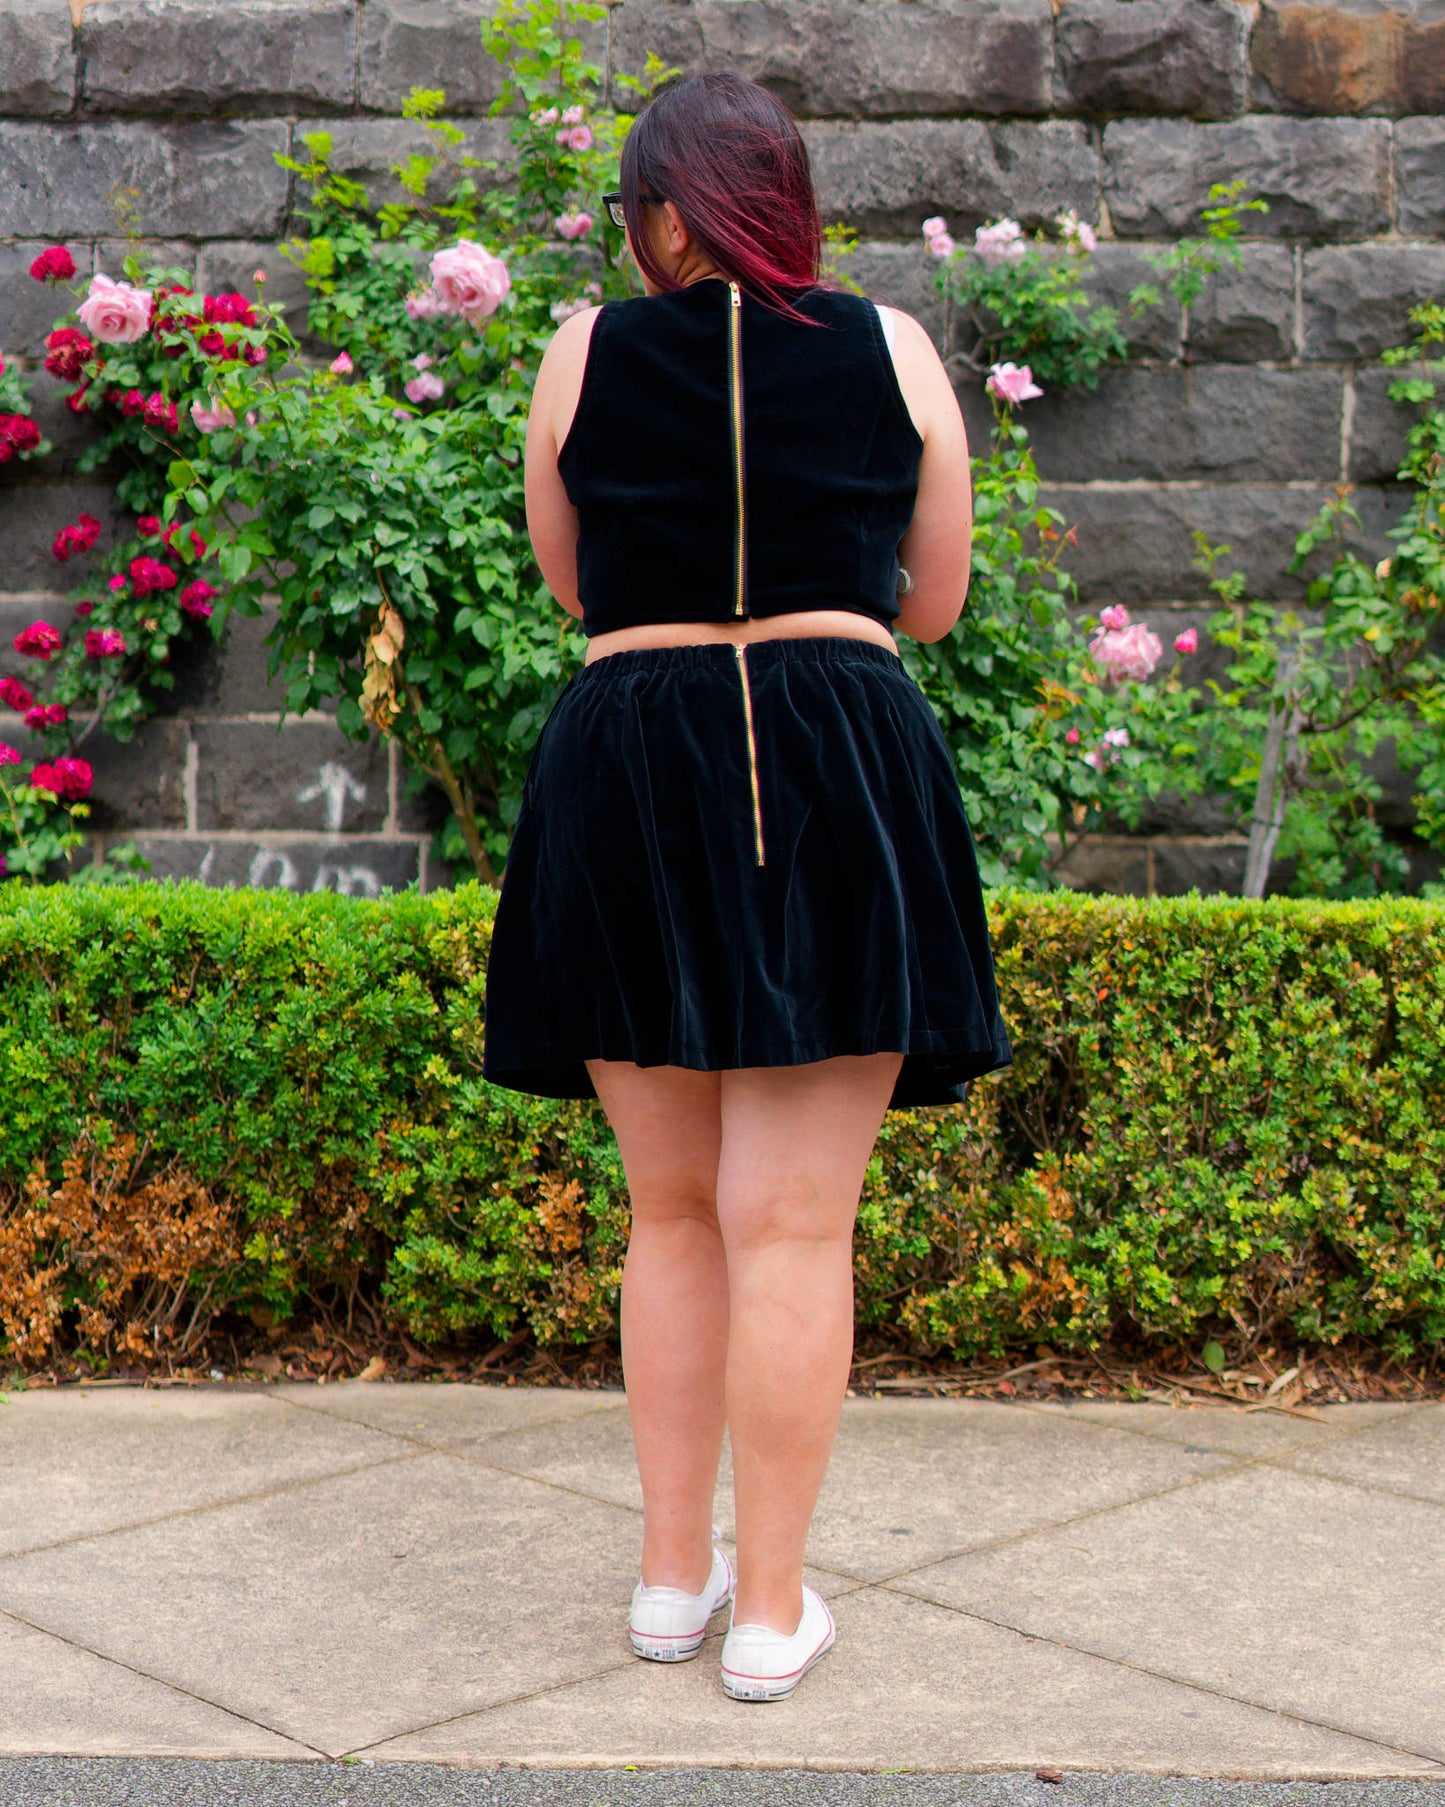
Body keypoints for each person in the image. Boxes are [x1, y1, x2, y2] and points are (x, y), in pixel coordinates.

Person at [483, 70, 1012, 1701]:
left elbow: (572, 577)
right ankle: (770, 1611)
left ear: (652, 213)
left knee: (669, 1212)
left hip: (635, 752)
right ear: (787, 197)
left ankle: (667, 1584)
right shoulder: (894, 348)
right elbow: (932, 605)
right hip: (834, 752)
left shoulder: (582, 350)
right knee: (793, 1224)